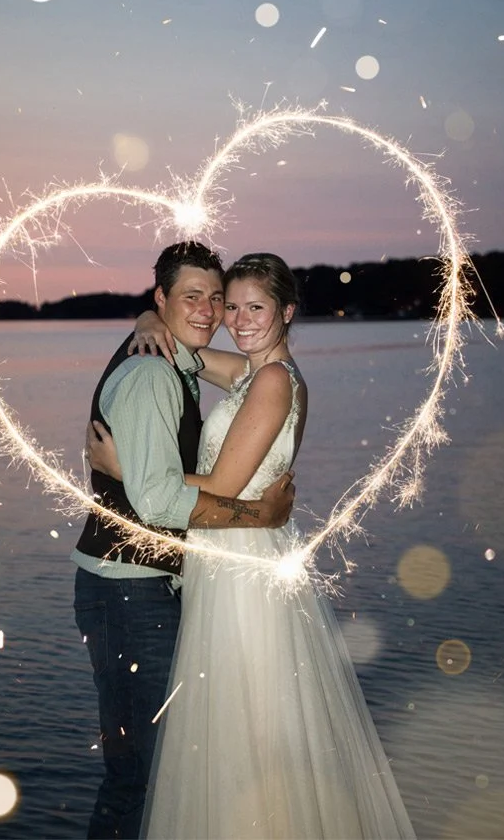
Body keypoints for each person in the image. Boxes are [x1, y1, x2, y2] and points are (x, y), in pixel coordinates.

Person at [91, 254, 415, 840]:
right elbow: (183, 351)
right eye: (228, 304)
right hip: (227, 555)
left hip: (243, 567)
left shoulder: (271, 381)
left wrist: (127, 469)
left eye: (253, 307)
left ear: (286, 312)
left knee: (245, 728)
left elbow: (219, 488)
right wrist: (146, 318)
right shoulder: (251, 372)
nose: (234, 318)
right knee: (233, 728)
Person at [73, 244, 295, 840]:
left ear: (286, 312)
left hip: (163, 585)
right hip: (126, 590)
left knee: (171, 763)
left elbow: (251, 371)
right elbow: (158, 500)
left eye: (217, 298)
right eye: (190, 296)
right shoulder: (152, 372)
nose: (213, 310)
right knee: (141, 773)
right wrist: (258, 514)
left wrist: (150, 320)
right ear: (162, 298)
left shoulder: (184, 361)